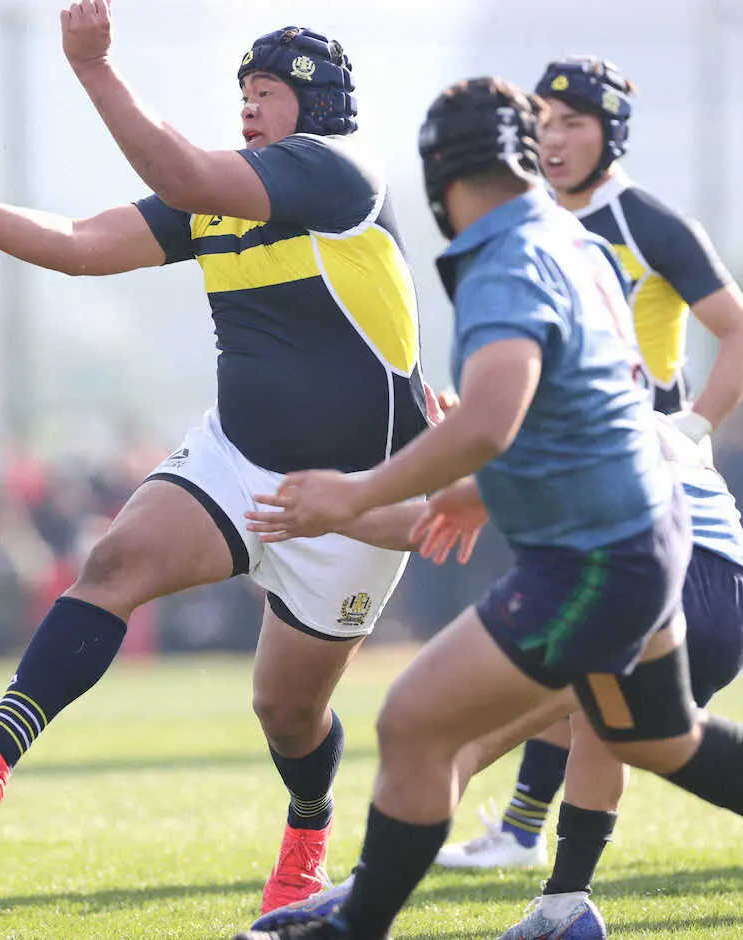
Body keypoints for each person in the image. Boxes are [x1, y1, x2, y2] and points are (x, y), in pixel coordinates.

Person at [0, 1, 428, 914]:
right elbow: (80, 247)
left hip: (358, 496)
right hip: (239, 458)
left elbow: (178, 166)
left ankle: (306, 838)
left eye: (268, 94)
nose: (250, 108)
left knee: (286, 712)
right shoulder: (218, 201)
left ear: (317, 104)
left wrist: (96, 69)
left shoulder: (342, 176)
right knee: (113, 563)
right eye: (244, 93)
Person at [230, 75, 743, 940]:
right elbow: (588, 402)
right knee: (662, 738)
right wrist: (475, 491)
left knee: (414, 722)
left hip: (596, 555)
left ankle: (353, 928)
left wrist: (356, 491)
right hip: (653, 530)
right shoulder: (570, 239)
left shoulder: (506, 260)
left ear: (438, 176)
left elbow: (497, 415)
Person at [249, 410, 743, 936]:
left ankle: (361, 901)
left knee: (442, 725)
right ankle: (565, 907)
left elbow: (430, 522)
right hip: (725, 598)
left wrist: (335, 512)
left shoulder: (544, 403)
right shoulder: (632, 416)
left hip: (652, 579)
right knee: (612, 726)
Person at [436, 54, 743, 872]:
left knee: (594, 692)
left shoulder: (648, 221)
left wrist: (696, 424)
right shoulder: (535, 228)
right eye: (542, 122)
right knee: (599, 699)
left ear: (612, 132)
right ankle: (541, 862)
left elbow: (736, 326)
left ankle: (519, 842)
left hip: (652, 483)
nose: (555, 137)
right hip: (568, 473)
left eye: (574, 122)